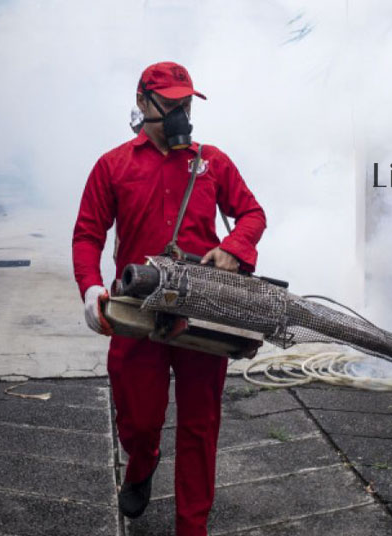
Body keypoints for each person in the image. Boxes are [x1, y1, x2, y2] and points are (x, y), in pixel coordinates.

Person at [72, 61, 266, 536]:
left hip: (202, 310)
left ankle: (191, 526)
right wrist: (91, 288)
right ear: (142, 103)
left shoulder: (211, 161)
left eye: (186, 103)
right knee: (138, 419)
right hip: (136, 311)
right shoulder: (113, 165)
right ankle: (142, 462)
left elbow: (251, 215)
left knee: (200, 426)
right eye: (170, 104)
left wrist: (233, 249)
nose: (181, 112)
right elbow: (87, 235)